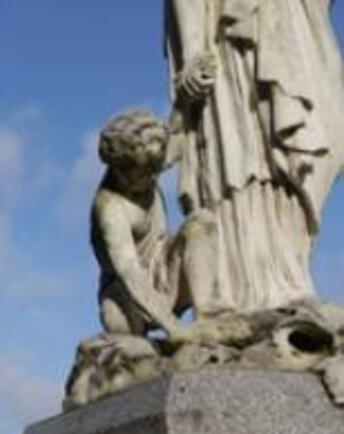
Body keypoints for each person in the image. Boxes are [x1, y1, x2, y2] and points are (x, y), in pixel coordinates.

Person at [166, 0, 343, 314]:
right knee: (243, 152)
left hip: (286, 22)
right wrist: (192, 50)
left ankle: (289, 277)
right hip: (230, 35)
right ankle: (243, 290)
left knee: (295, 153)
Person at [91, 109, 217, 338]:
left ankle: (206, 316)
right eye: (143, 174)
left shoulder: (147, 159)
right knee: (120, 326)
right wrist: (174, 328)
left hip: (165, 270)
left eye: (154, 172)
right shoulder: (110, 209)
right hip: (126, 294)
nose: (151, 178)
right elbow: (129, 272)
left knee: (201, 223)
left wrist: (188, 94)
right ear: (120, 169)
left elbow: (179, 132)